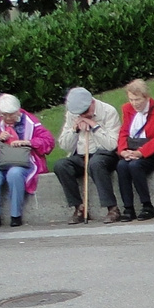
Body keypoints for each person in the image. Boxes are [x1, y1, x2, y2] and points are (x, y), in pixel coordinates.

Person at [0, 93, 54, 228]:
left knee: (14, 174)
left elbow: (48, 141)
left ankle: (16, 215)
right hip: (1, 159)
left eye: (11, 114)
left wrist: (27, 142)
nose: (8, 118)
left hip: (25, 159)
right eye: (4, 115)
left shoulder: (31, 121)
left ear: (18, 110)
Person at [55, 86, 122, 224]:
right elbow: (64, 145)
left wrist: (94, 126)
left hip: (104, 153)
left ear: (92, 102)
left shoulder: (108, 111)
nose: (83, 115)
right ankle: (79, 208)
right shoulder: (72, 114)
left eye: (86, 112)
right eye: (80, 114)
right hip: (81, 155)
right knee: (61, 165)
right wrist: (75, 129)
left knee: (95, 163)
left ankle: (112, 208)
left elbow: (112, 144)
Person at [115, 79, 154, 222]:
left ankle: (147, 206)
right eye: (131, 99)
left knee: (135, 165)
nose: (134, 103)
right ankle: (128, 208)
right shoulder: (127, 109)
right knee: (121, 165)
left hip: (152, 154)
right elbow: (124, 132)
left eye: (137, 99)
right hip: (132, 150)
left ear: (146, 97)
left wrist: (141, 153)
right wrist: (123, 151)